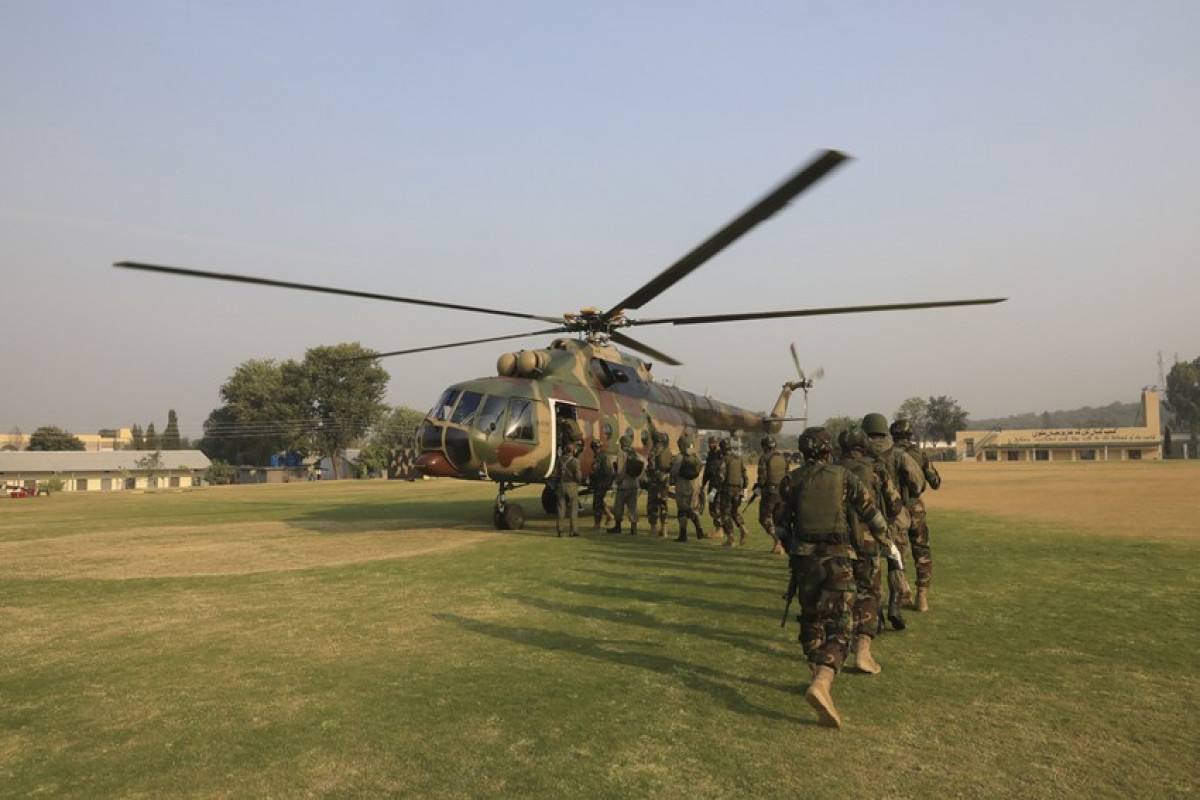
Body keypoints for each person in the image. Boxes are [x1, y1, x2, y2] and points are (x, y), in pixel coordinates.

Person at [782, 427, 889, 728]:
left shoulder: (791, 481)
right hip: (838, 559)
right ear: (828, 450)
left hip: (803, 563)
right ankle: (823, 681)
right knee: (842, 624)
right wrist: (885, 540)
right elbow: (871, 513)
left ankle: (815, 670)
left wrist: (792, 543)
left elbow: (778, 523)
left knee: (811, 618)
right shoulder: (843, 477)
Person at [836, 425, 903, 674]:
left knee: (841, 594)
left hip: (837, 541)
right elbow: (894, 505)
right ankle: (863, 652)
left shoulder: (832, 470)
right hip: (868, 541)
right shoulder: (875, 468)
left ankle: (834, 652)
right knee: (869, 593)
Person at [862, 412, 925, 631]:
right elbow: (917, 483)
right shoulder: (899, 454)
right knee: (896, 561)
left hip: (868, 517)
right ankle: (895, 605)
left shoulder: (859, 458)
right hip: (896, 515)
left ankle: (876, 613)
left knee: (873, 566)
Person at [890, 419, 942, 611]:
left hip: (896, 509)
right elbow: (935, 481)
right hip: (916, 507)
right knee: (922, 551)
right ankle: (922, 597)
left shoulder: (888, 455)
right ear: (910, 435)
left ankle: (903, 592)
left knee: (897, 552)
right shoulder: (919, 454)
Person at [756, 435, 790, 554]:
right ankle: (782, 544)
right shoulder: (782, 458)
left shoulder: (764, 458)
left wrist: (759, 487)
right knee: (779, 520)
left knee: (764, 518)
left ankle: (777, 541)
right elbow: (787, 475)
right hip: (782, 493)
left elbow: (762, 479)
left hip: (770, 493)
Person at [670, 434, 705, 541]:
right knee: (694, 508)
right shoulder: (696, 457)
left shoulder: (680, 457)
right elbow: (700, 468)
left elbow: (674, 471)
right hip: (695, 486)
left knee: (682, 510)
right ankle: (698, 526)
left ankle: (683, 534)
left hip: (682, 486)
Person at [608, 434, 644, 535]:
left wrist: (616, 481)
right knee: (633, 507)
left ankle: (618, 526)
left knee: (618, 506)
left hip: (623, 485)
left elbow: (621, 471)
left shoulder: (622, 454)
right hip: (634, 485)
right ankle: (634, 528)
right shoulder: (635, 454)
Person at [716, 438, 749, 546]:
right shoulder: (738, 459)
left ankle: (730, 539)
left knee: (725, 514)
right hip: (738, 491)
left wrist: (717, 487)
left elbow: (721, 476)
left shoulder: (724, 460)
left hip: (727, 490)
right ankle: (743, 529)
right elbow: (745, 475)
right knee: (734, 512)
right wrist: (743, 487)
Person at [645, 431, 673, 537]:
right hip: (665, 480)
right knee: (663, 504)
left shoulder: (653, 451)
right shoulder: (668, 451)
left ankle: (653, 529)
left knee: (652, 504)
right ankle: (664, 529)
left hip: (655, 480)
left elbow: (651, 466)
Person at [556, 441, 583, 537]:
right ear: (573, 450)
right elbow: (578, 475)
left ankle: (560, 530)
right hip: (572, 486)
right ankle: (573, 530)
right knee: (573, 508)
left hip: (562, 485)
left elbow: (558, 473)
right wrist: (579, 482)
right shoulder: (575, 461)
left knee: (561, 508)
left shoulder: (560, 460)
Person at [588, 439, 616, 531]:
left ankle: (597, 524)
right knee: (599, 501)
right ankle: (609, 515)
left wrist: (591, 478)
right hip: (606, 481)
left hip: (601, 482)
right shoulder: (605, 455)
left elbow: (595, 471)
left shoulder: (598, 457)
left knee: (596, 503)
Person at [702, 437, 725, 539]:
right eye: (710, 443)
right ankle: (718, 528)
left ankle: (720, 530)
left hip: (718, 486)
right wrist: (703, 484)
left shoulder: (720, 455)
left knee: (716, 506)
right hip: (712, 485)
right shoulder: (710, 455)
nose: (712, 445)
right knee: (712, 506)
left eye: (714, 443)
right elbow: (707, 471)